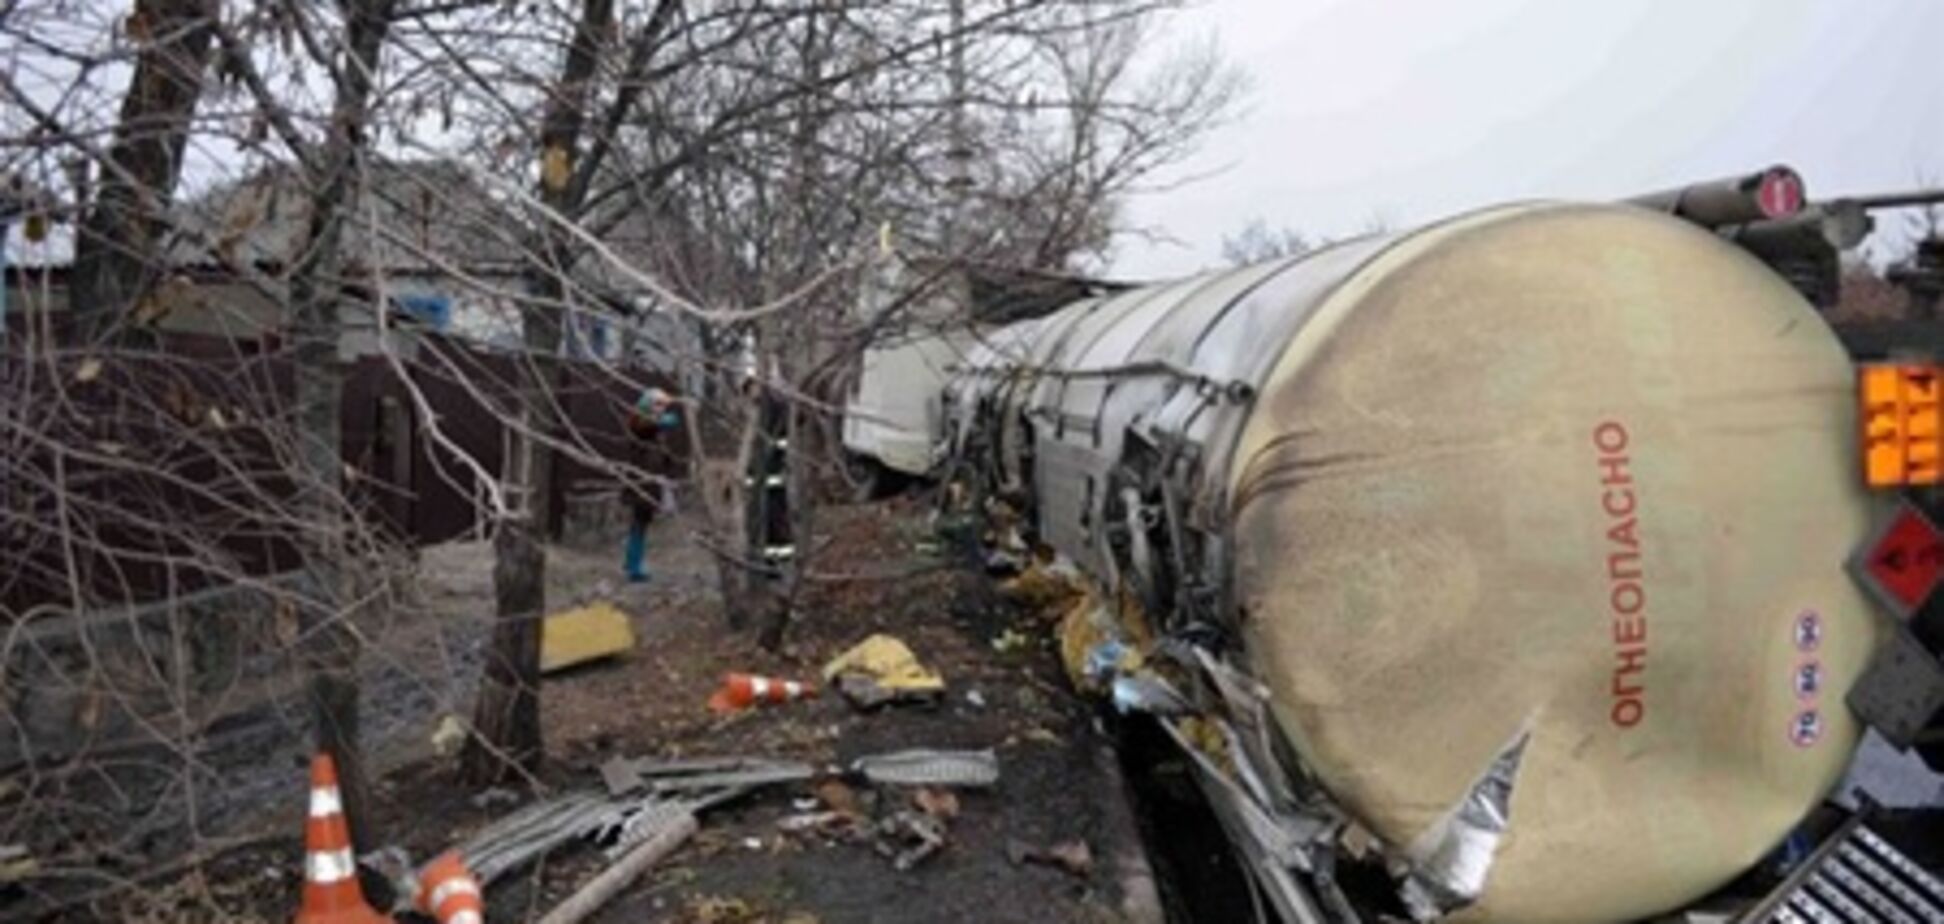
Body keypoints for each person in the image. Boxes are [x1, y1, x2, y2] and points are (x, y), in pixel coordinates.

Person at [623, 387, 679, 582]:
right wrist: (664, 419)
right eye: (658, 405)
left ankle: (632, 562)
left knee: (641, 523)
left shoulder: (654, 429)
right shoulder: (640, 423)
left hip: (651, 481)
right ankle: (634, 567)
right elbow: (658, 423)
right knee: (639, 523)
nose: (662, 409)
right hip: (642, 481)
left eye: (663, 406)